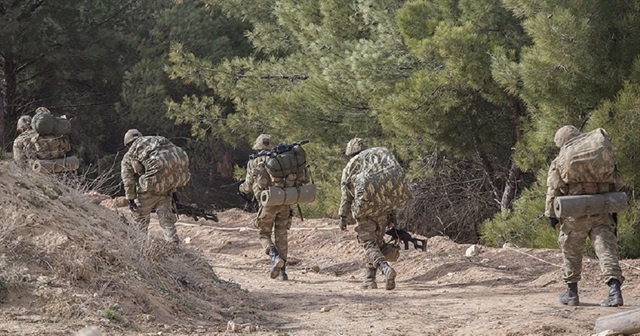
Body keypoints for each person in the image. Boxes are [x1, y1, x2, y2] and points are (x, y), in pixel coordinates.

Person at [545, 125, 625, 307]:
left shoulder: (560, 160)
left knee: (571, 252)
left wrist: (551, 215)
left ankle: (572, 293)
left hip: (575, 212)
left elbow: (553, 190)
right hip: (601, 209)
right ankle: (615, 291)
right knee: (606, 250)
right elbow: (617, 182)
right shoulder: (600, 155)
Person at [339, 138, 400, 290]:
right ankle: (369, 279)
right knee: (377, 244)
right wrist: (392, 216)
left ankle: (385, 269)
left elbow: (346, 195)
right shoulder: (379, 164)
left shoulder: (351, 167)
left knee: (368, 244)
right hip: (383, 211)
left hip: (364, 212)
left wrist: (342, 215)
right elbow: (389, 191)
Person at [121, 129, 190, 245]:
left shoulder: (130, 156)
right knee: (167, 220)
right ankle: (173, 245)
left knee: (141, 220)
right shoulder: (157, 145)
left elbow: (128, 180)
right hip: (165, 190)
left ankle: (141, 245)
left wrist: (131, 199)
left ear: (128, 144)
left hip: (147, 191)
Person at [239, 134, 291, 280]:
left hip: (268, 202)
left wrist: (241, 188)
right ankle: (283, 272)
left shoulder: (254, 162)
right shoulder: (283, 160)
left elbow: (248, 186)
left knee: (263, 234)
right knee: (282, 235)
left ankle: (274, 257)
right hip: (285, 200)